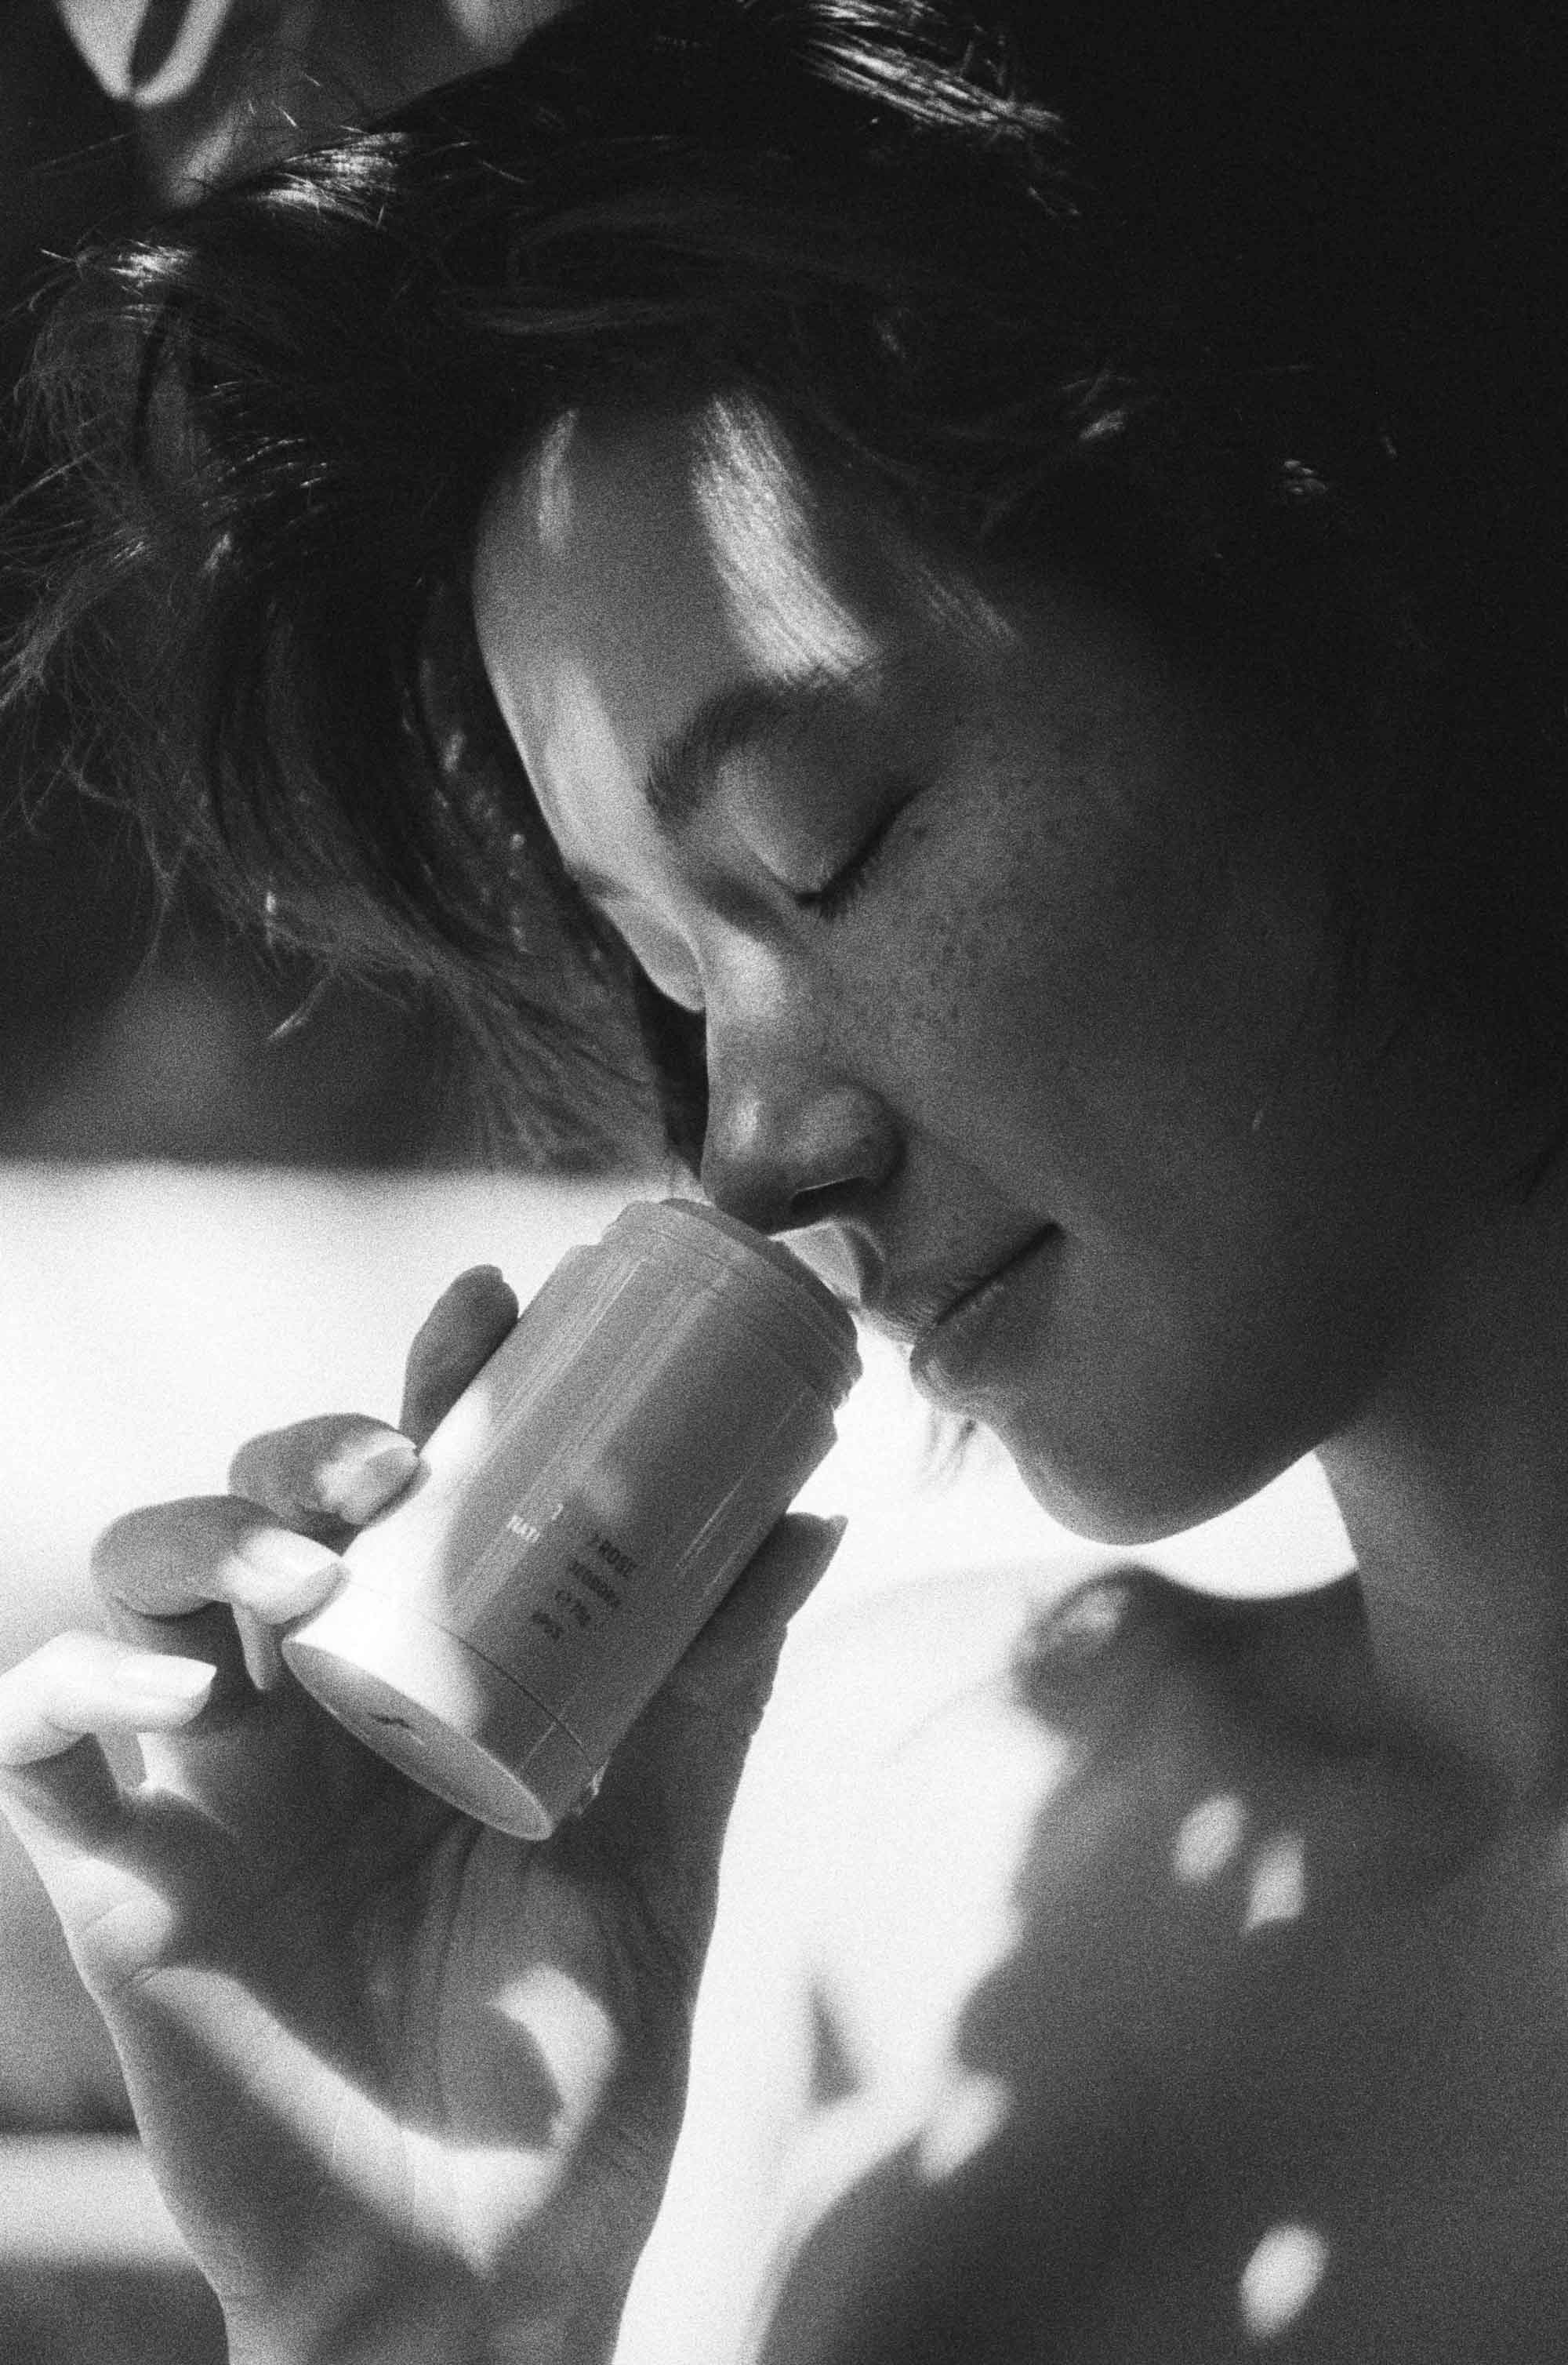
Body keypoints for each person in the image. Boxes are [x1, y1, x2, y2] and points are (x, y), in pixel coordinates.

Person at [2, 0, 1566, 2355]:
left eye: (825, 848)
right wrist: (402, 2315)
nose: (756, 1141)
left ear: (1377, 600)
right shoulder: (883, 1852)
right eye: (662, 966)